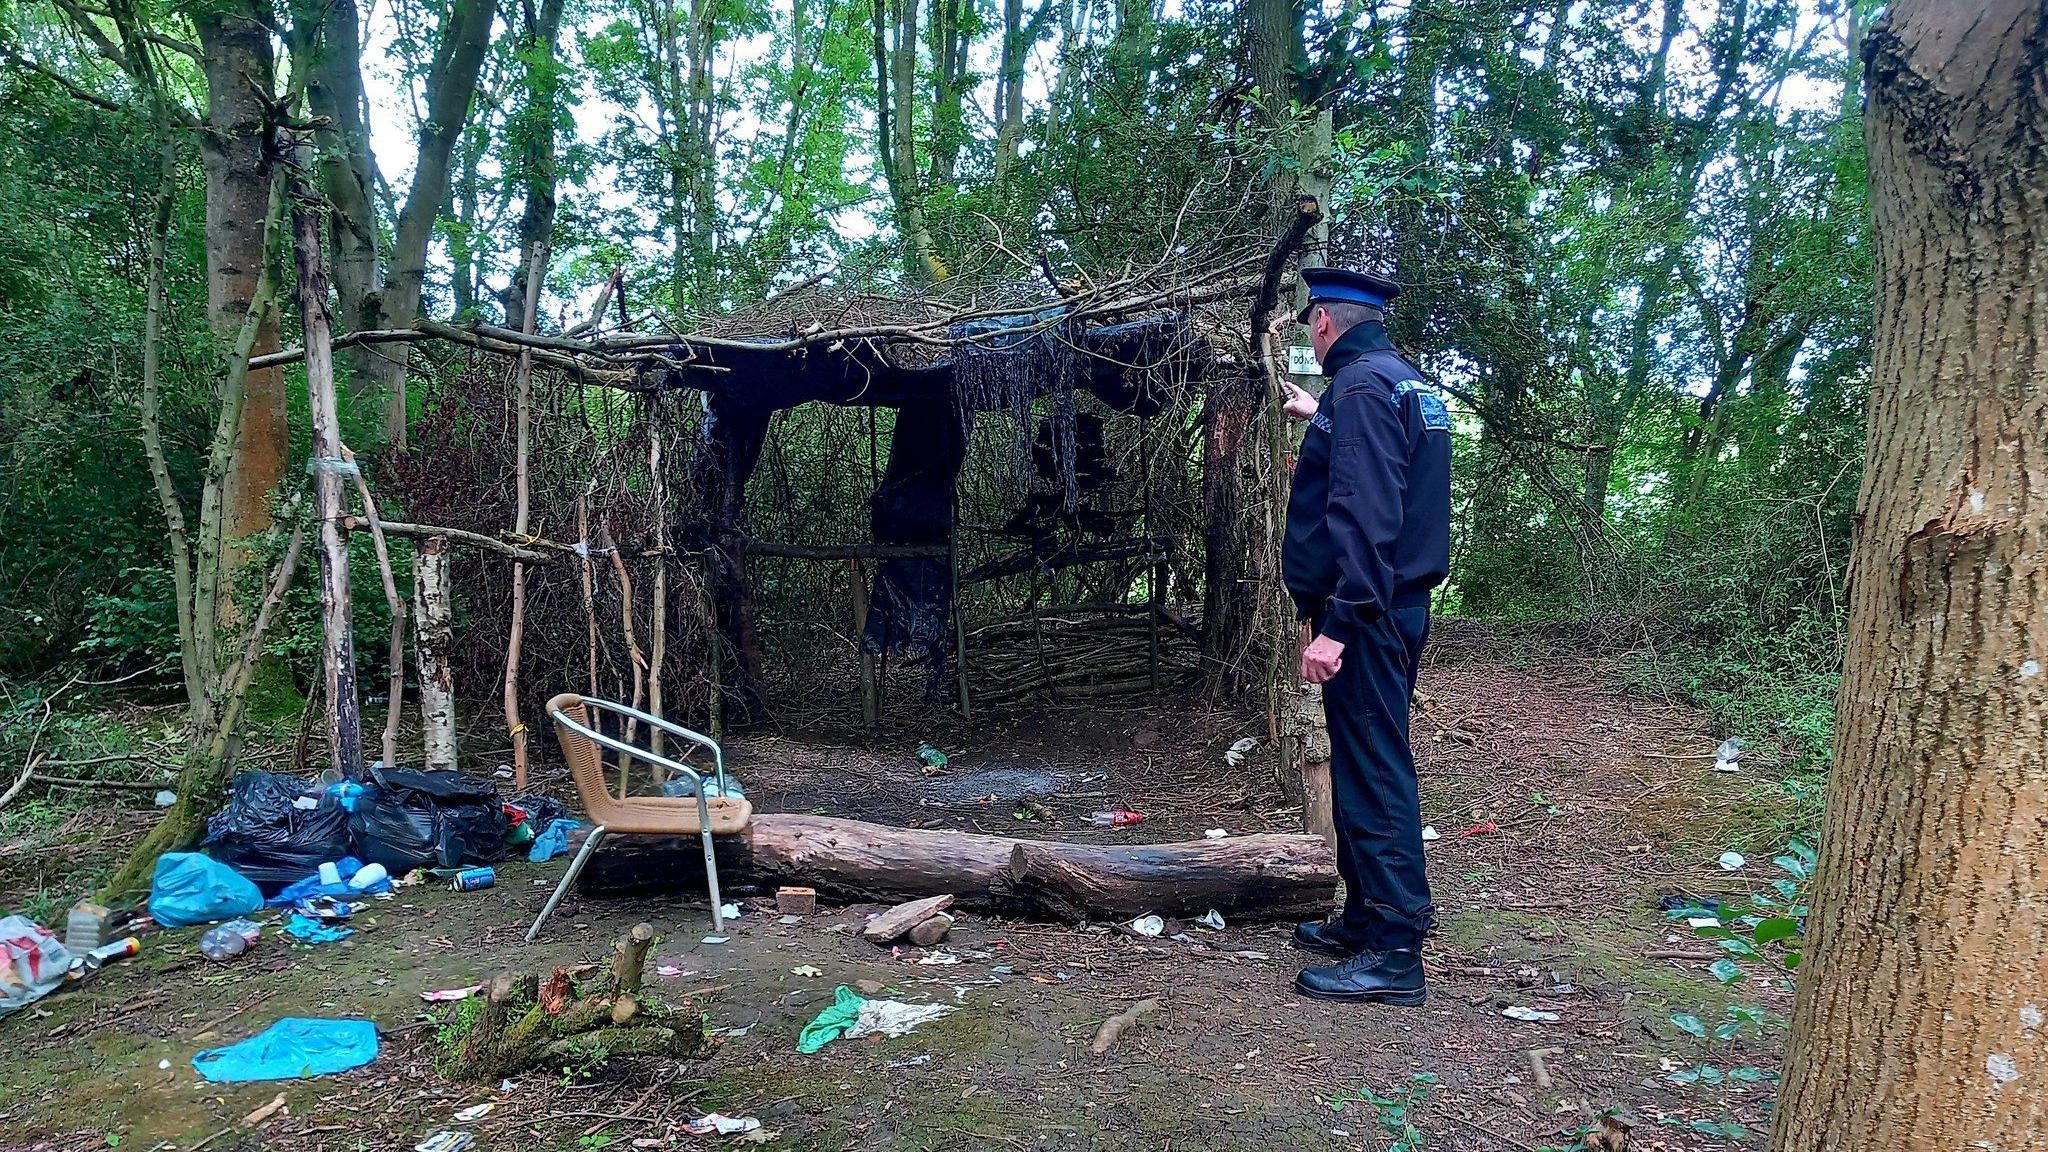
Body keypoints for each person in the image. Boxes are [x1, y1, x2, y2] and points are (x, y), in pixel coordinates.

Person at [1278, 267, 1452, 1005]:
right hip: (1391, 609)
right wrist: (1322, 413)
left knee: (1377, 769)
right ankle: (1365, 916)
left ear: (1323, 325)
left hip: (1368, 615)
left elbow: (1368, 514)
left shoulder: (1360, 391)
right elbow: (1395, 463)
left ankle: (1394, 953)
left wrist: (1339, 625)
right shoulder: (1398, 382)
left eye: (1309, 325)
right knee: (1362, 761)